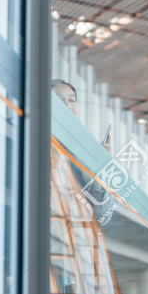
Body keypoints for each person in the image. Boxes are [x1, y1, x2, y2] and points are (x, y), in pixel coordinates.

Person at [51, 79, 115, 225]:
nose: (67, 106)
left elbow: (101, 217)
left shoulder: (82, 152)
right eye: (58, 100)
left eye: (72, 100)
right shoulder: (33, 140)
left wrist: (100, 171)